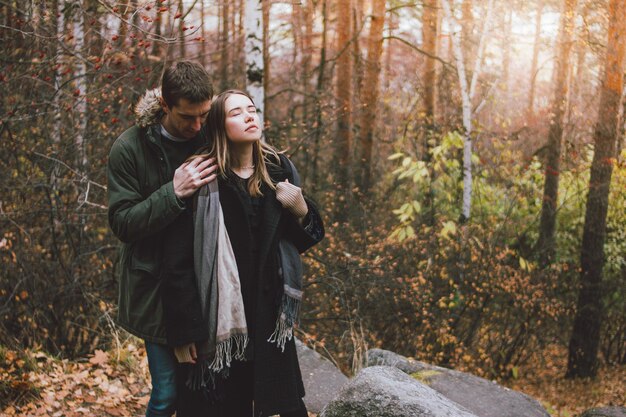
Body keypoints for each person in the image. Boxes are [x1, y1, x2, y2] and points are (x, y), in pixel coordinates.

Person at [160, 89, 325, 417]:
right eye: (237, 113)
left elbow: (302, 241)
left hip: (268, 316)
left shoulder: (279, 169)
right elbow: (177, 261)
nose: (250, 116)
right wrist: (183, 332)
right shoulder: (202, 175)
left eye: (252, 109)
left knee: (285, 407)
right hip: (218, 322)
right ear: (219, 125)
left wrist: (303, 209)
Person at [107, 61, 217, 417]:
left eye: (204, 114)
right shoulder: (129, 148)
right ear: (165, 106)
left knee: (201, 393)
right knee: (167, 393)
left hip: (204, 284)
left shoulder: (209, 135)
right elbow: (123, 223)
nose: (198, 125)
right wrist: (173, 192)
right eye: (188, 117)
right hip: (154, 289)